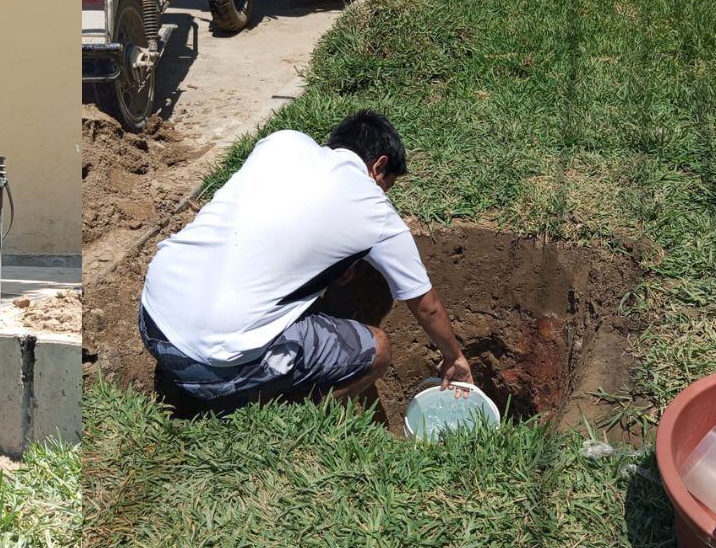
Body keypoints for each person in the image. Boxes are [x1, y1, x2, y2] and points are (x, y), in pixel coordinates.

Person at [138, 110, 472, 406]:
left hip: (153, 316)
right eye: (388, 186)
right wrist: (454, 357)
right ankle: (292, 414)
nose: (384, 195)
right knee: (379, 350)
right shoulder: (376, 211)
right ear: (379, 165)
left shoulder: (282, 142)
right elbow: (426, 306)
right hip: (212, 364)